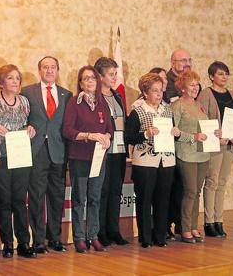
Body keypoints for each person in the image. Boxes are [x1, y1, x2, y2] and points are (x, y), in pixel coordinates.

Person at [21, 56, 72, 254]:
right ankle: (39, 240)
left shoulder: (67, 95)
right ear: (39, 70)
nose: (49, 70)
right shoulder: (27, 92)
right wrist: (26, 127)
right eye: (45, 67)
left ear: (58, 70)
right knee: (36, 196)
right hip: (36, 151)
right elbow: (20, 118)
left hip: (58, 152)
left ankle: (55, 238)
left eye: (53, 67)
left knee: (56, 197)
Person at [63, 65, 114, 253]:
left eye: (92, 78)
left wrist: (107, 137)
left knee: (95, 198)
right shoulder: (73, 103)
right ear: (80, 83)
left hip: (99, 158)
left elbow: (109, 129)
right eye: (85, 78)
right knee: (79, 199)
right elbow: (67, 131)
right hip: (79, 157)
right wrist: (89, 135)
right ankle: (79, 237)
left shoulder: (103, 103)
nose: (90, 81)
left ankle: (93, 236)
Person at [125, 73, 178, 248]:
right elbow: (129, 137)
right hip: (145, 163)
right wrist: (146, 134)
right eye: (154, 91)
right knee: (145, 200)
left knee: (163, 200)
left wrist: (175, 134)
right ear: (145, 92)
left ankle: (160, 236)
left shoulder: (167, 111)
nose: (158, 94)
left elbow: (172, 136)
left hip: (167, 161)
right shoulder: (137, 112)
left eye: (160, 90)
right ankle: (145, 237)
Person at [0, 64, 36, 259]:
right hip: (1, 156)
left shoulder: (25, 101)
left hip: (21, 155)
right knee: (4, 200)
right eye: (10, 78)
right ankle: (7, 243)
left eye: (17, 78)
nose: (15, 81)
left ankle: (24, 242)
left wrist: (31, 128)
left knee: (19, 200)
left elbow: (29, 123)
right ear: (1, 81)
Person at [196, 61, 233, 238]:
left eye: (226, 73)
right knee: (212, 181)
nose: (224, 77)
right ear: (211, 76)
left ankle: (219, 220)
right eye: (221, 74)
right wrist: (217, 134)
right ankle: (209, 222)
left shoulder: (231, 93)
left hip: (231, 144)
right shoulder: (206, 94)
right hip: (215, 144)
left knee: (222, 183)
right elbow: (202, 120)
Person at [172, 70, 214, 244]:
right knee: (189, 191)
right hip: (186, 154)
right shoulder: (177, 106)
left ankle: (194, 227)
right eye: (191, 85)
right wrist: (193, 137)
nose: (195, 88)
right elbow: (173, 131)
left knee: (196, 192)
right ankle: (184, 228)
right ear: (182, 87)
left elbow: (205, 127)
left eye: (197, 84)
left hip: (202, 154)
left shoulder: (200, 105)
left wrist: (215, 132)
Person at [94, 57, 129, 246]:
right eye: (111, 74)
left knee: (116, 190)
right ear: (100, 76)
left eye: (116, 74)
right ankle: (101, 232)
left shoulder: (117, 96)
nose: (115, 77)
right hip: (104, 150)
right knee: (103, 190)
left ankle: (114, 230)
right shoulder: (95, 98)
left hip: (120, 149)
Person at [165, 48, 195, 241]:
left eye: (189, 60)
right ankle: (168, 224)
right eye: (182, 60)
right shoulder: (165, 84)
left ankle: (181, 224)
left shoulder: (193, 86)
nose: (187, 63)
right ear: (173, 62)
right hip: (170, 145)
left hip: (189, 147)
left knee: (184, 189)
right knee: (172, 188)